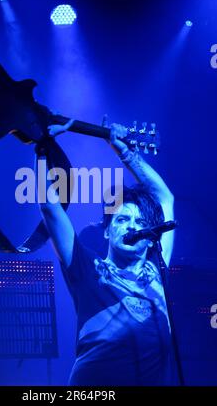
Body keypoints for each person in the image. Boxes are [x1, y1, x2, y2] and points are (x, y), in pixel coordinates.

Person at [37, 118, 176, 386]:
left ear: (150, 238)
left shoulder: (157, 268)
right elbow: (50, 207)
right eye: (122, 220)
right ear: (107, 231)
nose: (132, 226)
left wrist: (126, 152)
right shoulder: (87, 267)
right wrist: (42, 146)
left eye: (139, 223)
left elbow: (165, 198)